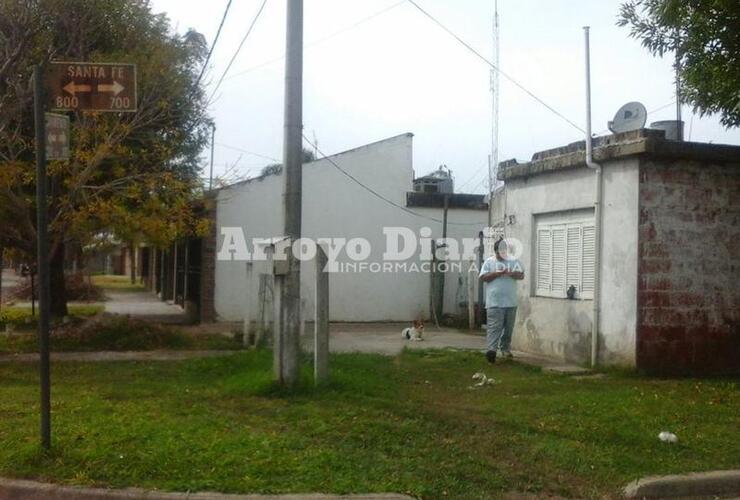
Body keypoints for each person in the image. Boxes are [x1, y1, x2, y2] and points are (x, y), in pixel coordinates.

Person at [478, 238, 524, 363]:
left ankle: (505, 349)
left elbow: (521, 275)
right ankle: (491, 351)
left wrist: (510, 273)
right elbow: (483, 278)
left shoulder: (513, 261)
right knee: (494, 327)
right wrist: (497, 273)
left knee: (508, 328)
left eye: (503, 252)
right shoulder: (489, 262)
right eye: (499, 252)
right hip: (494, 302)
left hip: (510, 301)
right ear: (495, 251)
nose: (501, 255)